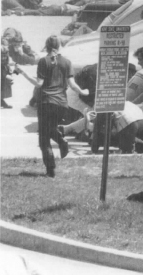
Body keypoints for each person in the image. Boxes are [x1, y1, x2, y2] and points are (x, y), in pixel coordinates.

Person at [17, 35, 89, 177]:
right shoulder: (67, 62)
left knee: (44, 138)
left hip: (46, 102)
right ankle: (61, 142)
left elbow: (39, 84)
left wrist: (23, 72)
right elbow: (72, 85)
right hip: (62, 104)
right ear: (59, 46)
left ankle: (51, 169)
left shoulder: (43, 61)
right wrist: (83, 91)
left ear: (46, 46)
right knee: (50, 129)